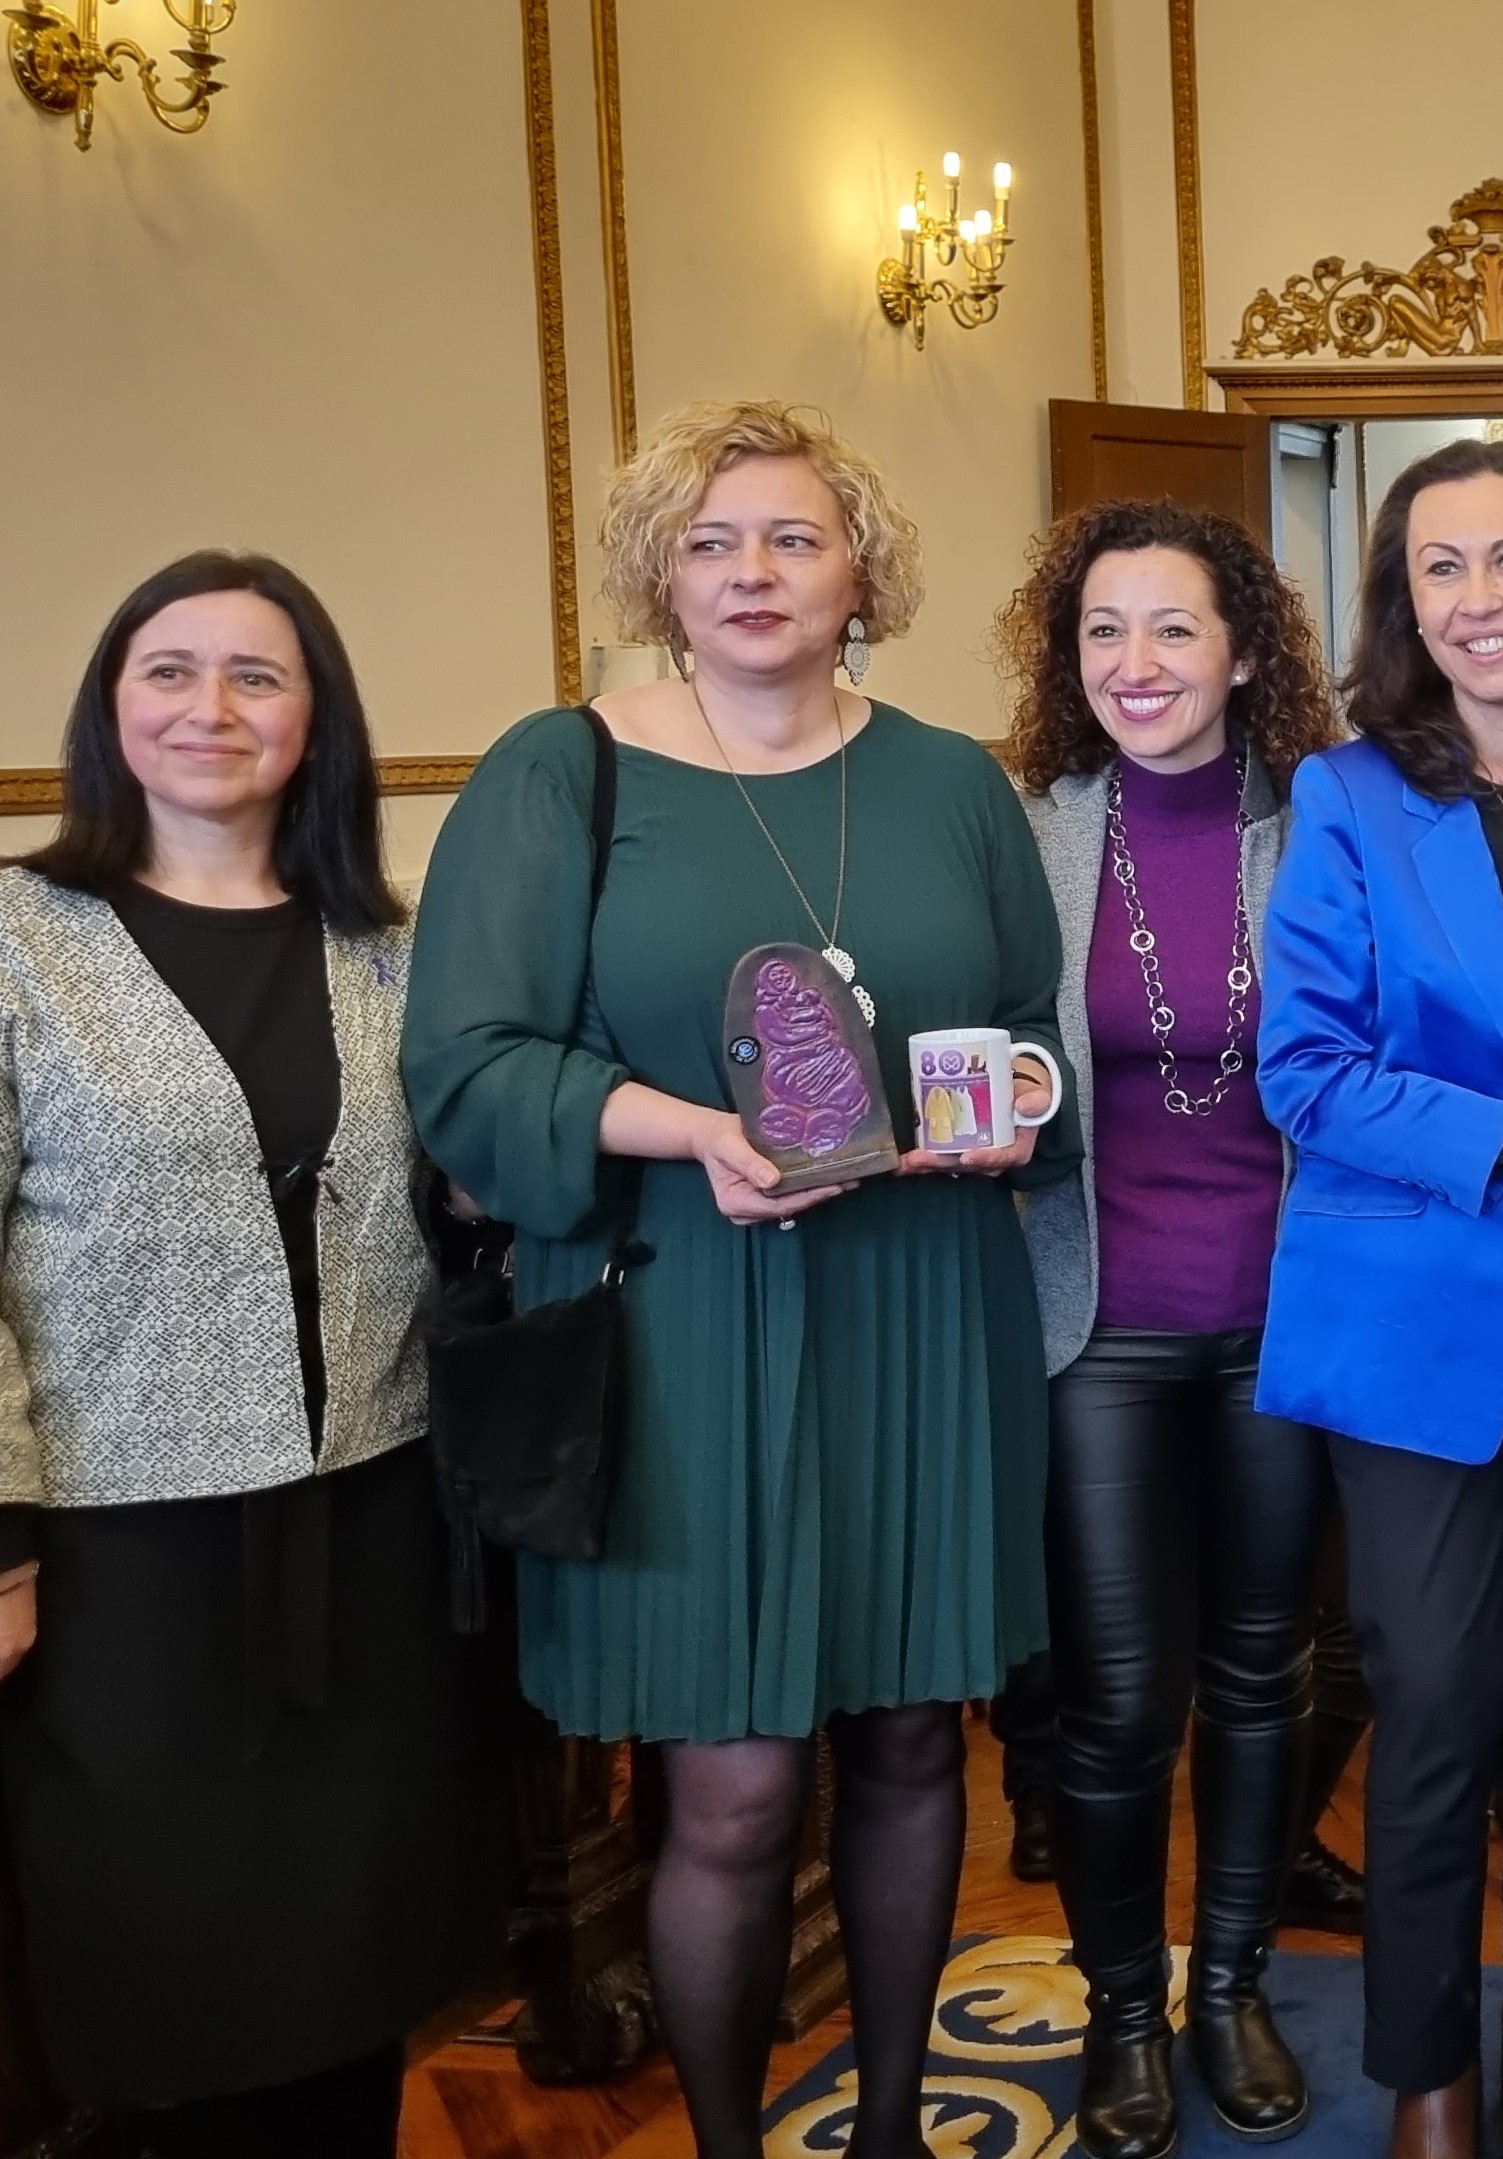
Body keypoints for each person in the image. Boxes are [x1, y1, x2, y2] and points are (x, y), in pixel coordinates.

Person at [406, 401, 1075, 2159]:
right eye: (711, 543)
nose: (753, 572)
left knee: (916, 1745)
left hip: (922, 1307)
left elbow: (1027, 1030)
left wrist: (1017, 1102)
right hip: (679, 1315)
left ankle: (889, 2131)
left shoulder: (953, 785)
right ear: (662, 577)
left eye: (794, 538)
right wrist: (689, 1127)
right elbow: (467, 1067)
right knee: (734, 1786)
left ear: (862, 574)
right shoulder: (558, 772)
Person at [0, 554, 505, 2159]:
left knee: (354, 1944)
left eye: (255, 675)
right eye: (169, 670)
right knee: (159, 1958)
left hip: (374, 1522)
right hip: (115, 1552)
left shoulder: (394, 946)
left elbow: (459, 1194)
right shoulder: (18, 941)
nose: (208, 708)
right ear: (110, 706)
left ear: (315, 720)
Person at [1252, 437, 1503, 2159]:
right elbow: (1302, 1068)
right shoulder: (1348, 797)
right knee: (1433, 1692)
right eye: (1440, 567)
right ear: (1403, 603)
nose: (1479, 599)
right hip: (1415, 1313)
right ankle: (1427, 2068)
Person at [1000, 498, 1348, 2155]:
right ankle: (1124, 2011)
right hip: (1097, 1325)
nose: (1134, 664)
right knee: (1121, 1699)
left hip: (1285, 1314)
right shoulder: (1026, 835)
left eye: (1172, 628)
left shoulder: (1325, 824)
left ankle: (1231, 1987)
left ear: (1245, 651)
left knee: (1264, 1673)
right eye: (1102, 631)